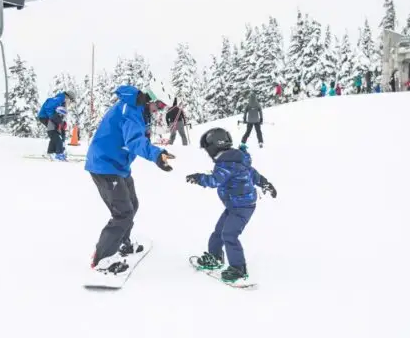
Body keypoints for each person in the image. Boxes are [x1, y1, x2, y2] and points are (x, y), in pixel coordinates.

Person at [85, 85, 175, 277]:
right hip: (105, 166)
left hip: (118, 166)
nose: (159, 110)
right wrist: (157, 155)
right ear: (149, 98)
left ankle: (122, 243)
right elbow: (134, 141)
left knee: (132, 205)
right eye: (158, 104)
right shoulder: (131, 110)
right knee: (123, 213)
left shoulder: (140, 111)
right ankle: (102, 260)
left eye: (162, 107)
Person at [186, 128, 277, 284]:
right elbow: (253, 174)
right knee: (219, 232)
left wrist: (198, 178)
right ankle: (215, 257)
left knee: (229, 235)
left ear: (214, 147)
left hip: (242, 206)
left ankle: (239, 269)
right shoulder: (237, 159)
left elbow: (215, 180)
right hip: (235, 205)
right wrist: (266, 184)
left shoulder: (226, 162)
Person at [37, 91, 73, 160]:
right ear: (68, 97)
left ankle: (51, 152)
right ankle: (58, 153)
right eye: (71, 101)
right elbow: (48, 107)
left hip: (50, 118)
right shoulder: (59, 99)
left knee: (56, 133)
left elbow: (60, 113)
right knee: (54, 133)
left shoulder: (62, 101)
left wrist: (62, 122)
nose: (70, 103)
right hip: (45, 116)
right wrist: (53, 117)